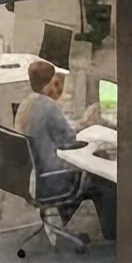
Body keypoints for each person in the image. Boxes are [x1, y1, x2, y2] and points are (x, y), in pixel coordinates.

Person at [13, 61, 117, 241]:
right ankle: (112, 234)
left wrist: (75, 124)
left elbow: (55, 133)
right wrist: (86, 122)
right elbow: (69, 142)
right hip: (50, 180)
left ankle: (65, 215)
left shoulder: (26, 104)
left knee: (87, 171)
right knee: (103, 178)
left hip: (30, 177)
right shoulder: (48, 107)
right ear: (49, 82)